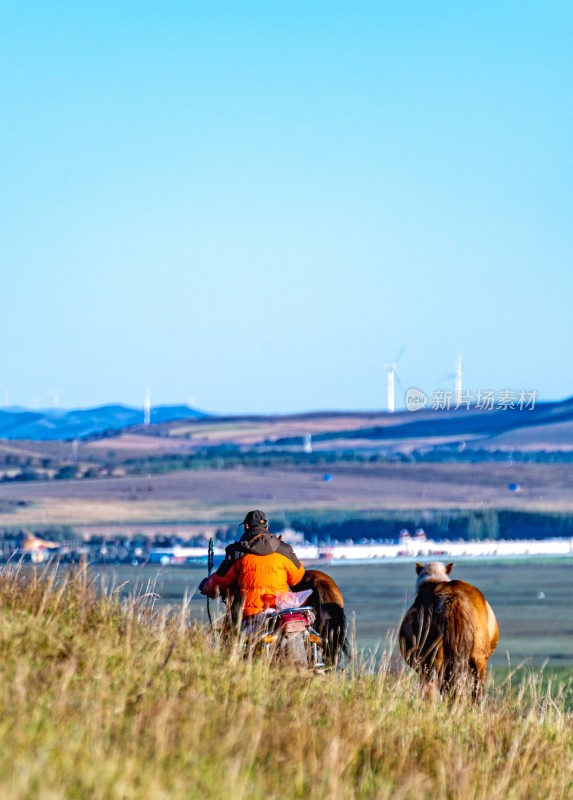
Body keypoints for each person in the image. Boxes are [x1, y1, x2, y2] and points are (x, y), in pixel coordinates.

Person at [199, 510, 305, 621]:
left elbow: (220, 582)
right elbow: (297, 578)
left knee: (229, 633)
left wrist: (206, 586)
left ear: (246, 526)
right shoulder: (284, 549)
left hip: (248, 616)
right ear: (266, 527)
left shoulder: (237, 552)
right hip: (280, 613)